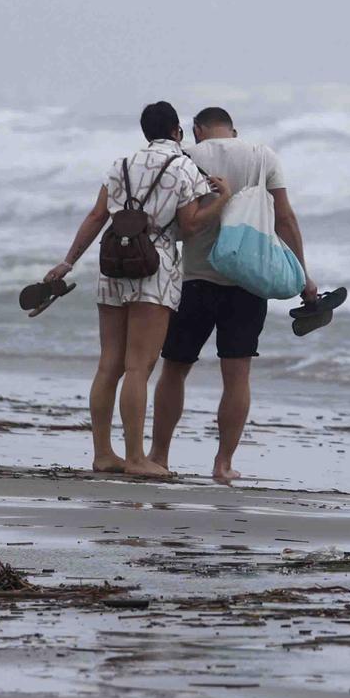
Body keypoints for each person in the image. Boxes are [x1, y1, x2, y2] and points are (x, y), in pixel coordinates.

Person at [44, 102, 228, 476]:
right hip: (154, 267)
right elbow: (190, 226)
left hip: (113, 262)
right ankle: (135, 458)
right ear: (177, 131)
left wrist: (67, 262)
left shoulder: (120, 165)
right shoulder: (183, 167)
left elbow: (97, 217)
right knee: (138, 368)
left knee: (108, 364)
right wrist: (223, 199)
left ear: (145, 132)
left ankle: (102, 454)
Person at [148, 107, 317, 483]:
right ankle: (223, 464)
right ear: (234, 130)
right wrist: (304, 276)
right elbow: (285, 218)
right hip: (248, 282)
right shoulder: (262, 156)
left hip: (194, 279)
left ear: (196, 130)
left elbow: (170, 218)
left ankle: (159, 456)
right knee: (237, 375)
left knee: (174, 369)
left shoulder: (186, 157)